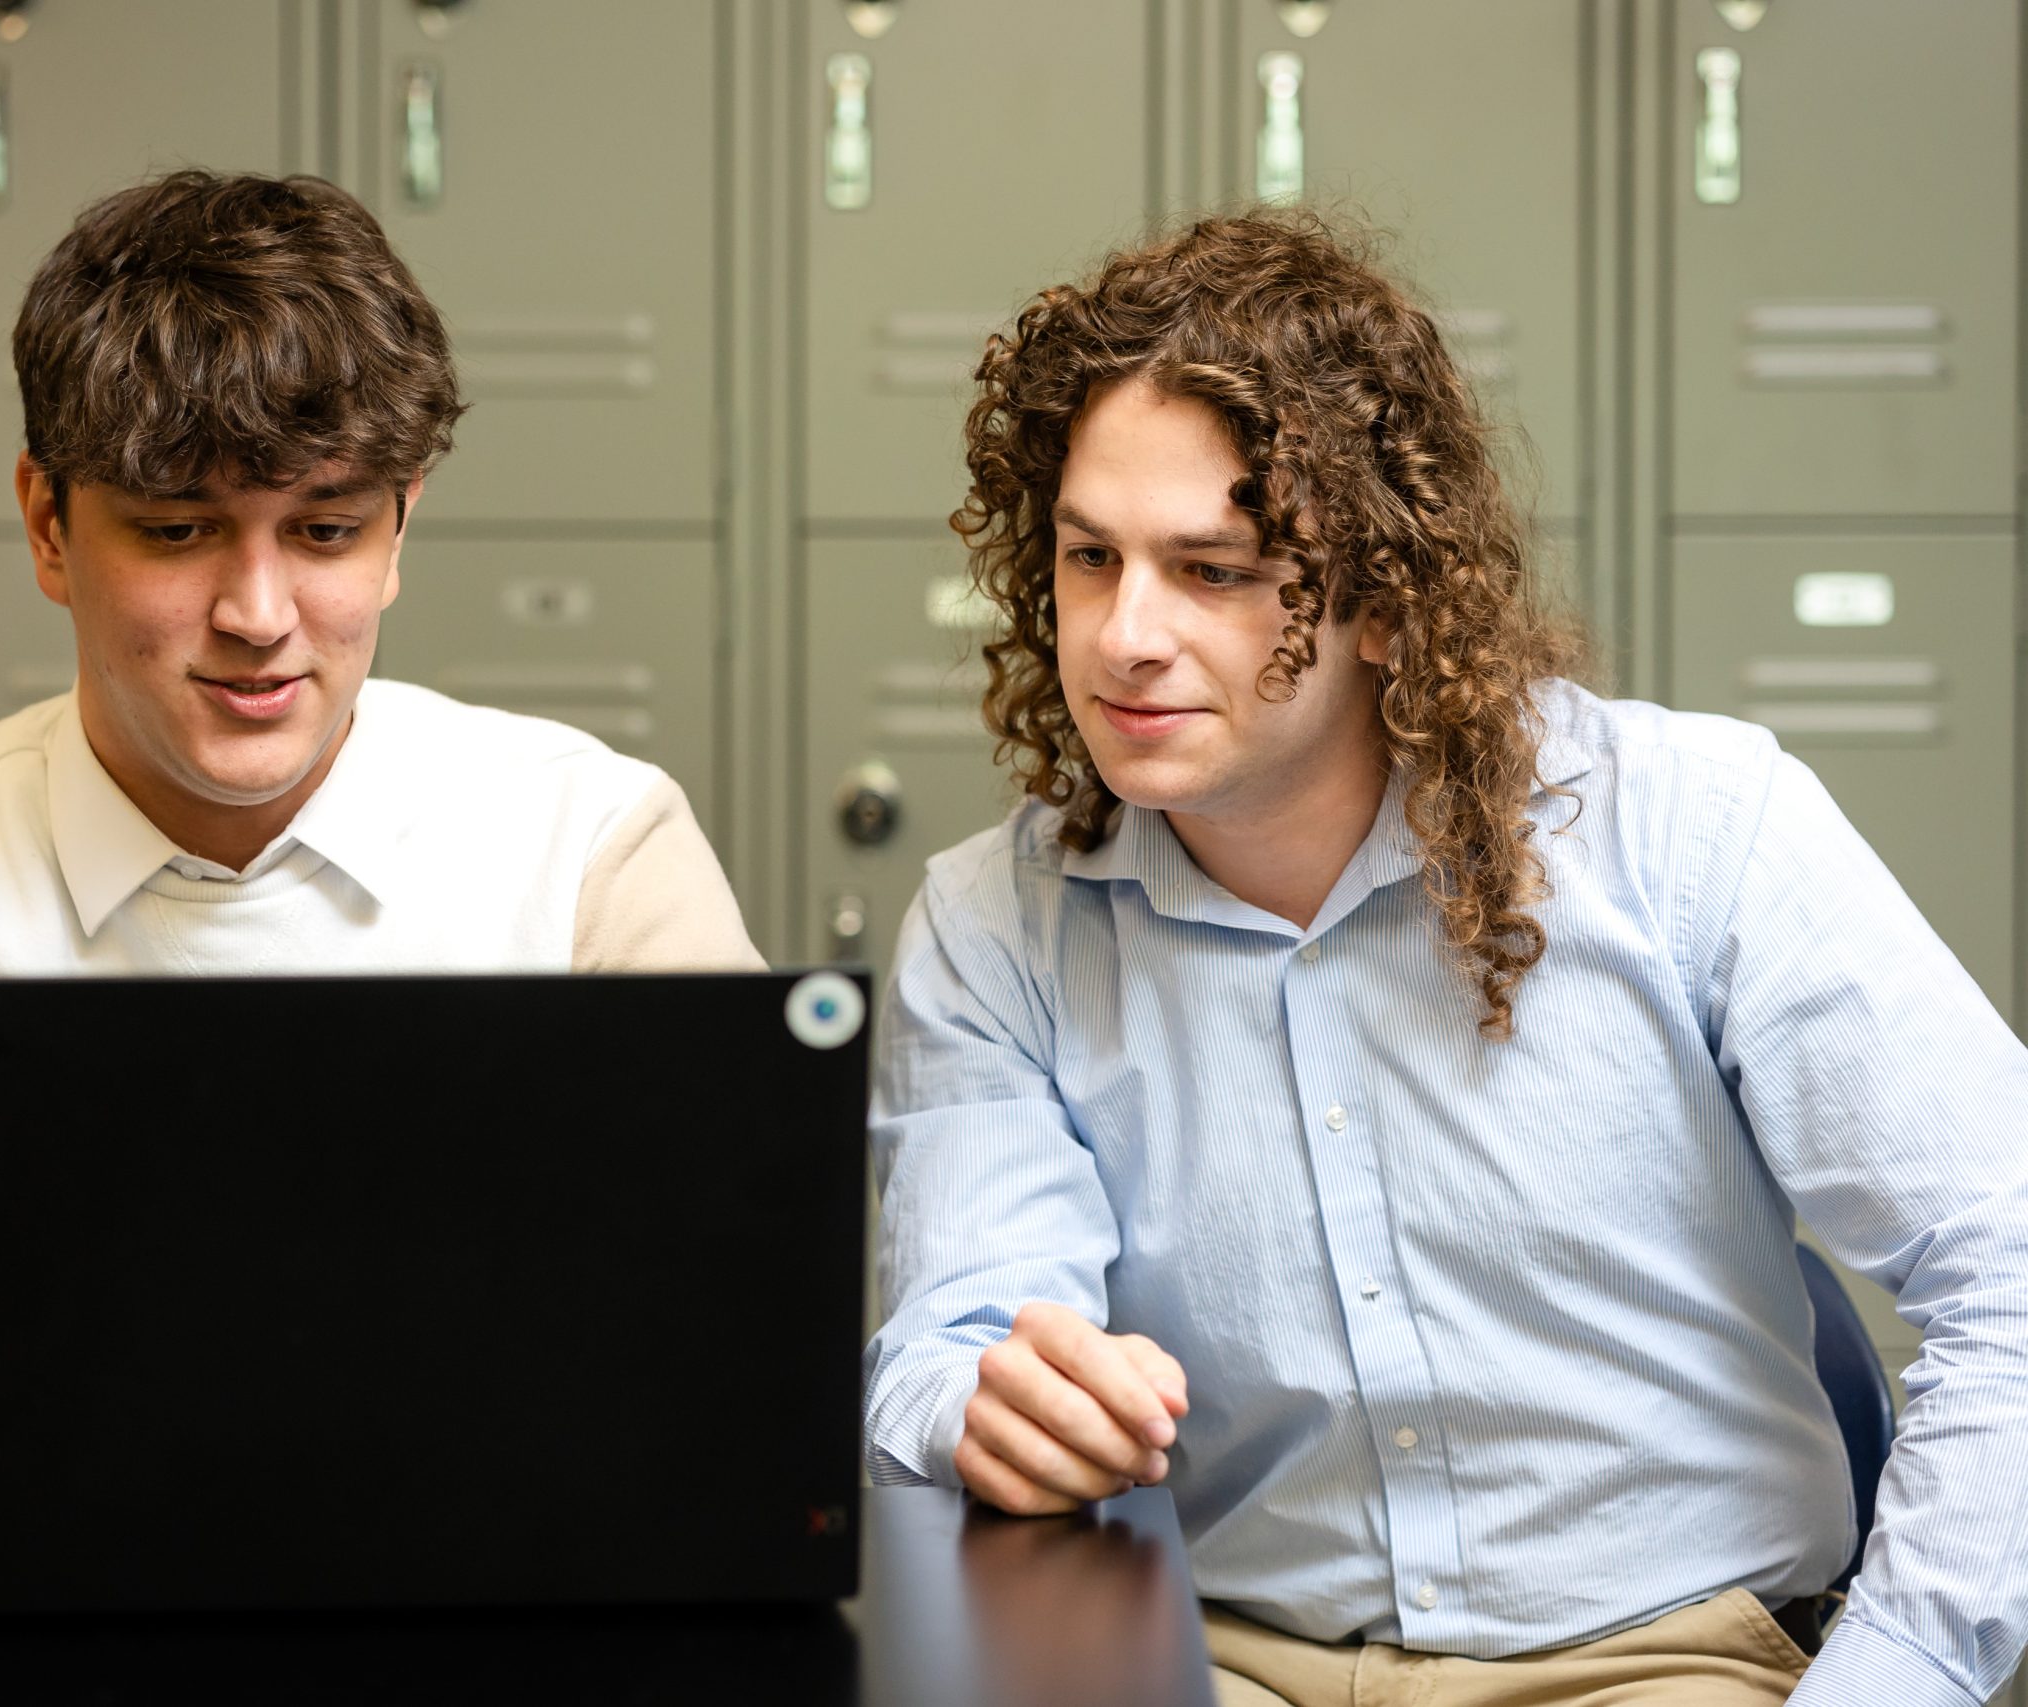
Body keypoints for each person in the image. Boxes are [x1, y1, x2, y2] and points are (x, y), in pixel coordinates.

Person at [863, 209, 2027, 1706]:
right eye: (1091, 557)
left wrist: (1889, 1684)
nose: (1124, 636)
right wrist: (989, 1400)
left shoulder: (1691, 831)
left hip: (1649, 1658)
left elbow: (2008, 1261)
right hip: (1222, 1657)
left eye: (1212, 570)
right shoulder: (994, 925)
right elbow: (948, 1345)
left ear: (1389, 603)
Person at [0, 171, 758, 1506]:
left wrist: (107, 1375)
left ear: (400, 531)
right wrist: (205, 1382)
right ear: (48, 524)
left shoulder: (591, 845)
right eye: (178, 531)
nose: (260, 612)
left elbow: (722, 1299)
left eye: (324, 530)